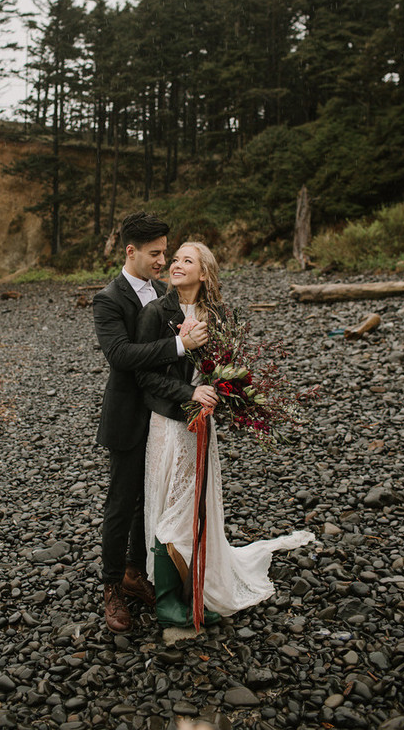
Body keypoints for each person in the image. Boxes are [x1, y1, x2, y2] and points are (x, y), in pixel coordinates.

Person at [136, 241, 315, 627]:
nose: (177, 265)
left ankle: (197, 589)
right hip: (169, 423)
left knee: (198, 504)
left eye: (188, 260)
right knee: (173, 503)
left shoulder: (218, 314)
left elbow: (229, 366)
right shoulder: (156, 311)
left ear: (204, 274)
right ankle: (167, 600)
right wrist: (189, 393)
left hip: (203, 426)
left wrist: (229, 393)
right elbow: (144, 375)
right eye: (176, 259)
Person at [93, 214, 208, 634]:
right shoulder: (108, 298)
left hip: (164, 417)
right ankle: (111, 588)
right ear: (131, 251)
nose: (163, 260)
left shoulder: (164, 293)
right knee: (121, 503)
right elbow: (121, 356)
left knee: (151, 499)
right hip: (127, 415)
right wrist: (179, 343)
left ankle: (135, 571)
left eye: (166, 252)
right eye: (156, 253)